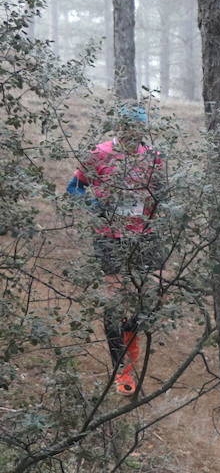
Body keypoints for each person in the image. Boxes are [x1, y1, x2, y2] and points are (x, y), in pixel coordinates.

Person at [66, 103, 164, 395]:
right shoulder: (99, 153)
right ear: (118, 127)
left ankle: (130, 345)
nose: (132, 133)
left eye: (137, 127)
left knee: (151, 293)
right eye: (126, 127)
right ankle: (122, 366)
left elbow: (161, 194)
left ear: (144, 129)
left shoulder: (154, 157)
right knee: (115, 298)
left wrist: (156, 215)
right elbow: (74, 188)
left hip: (145, 234)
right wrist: (94, 206)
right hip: (110, 235)